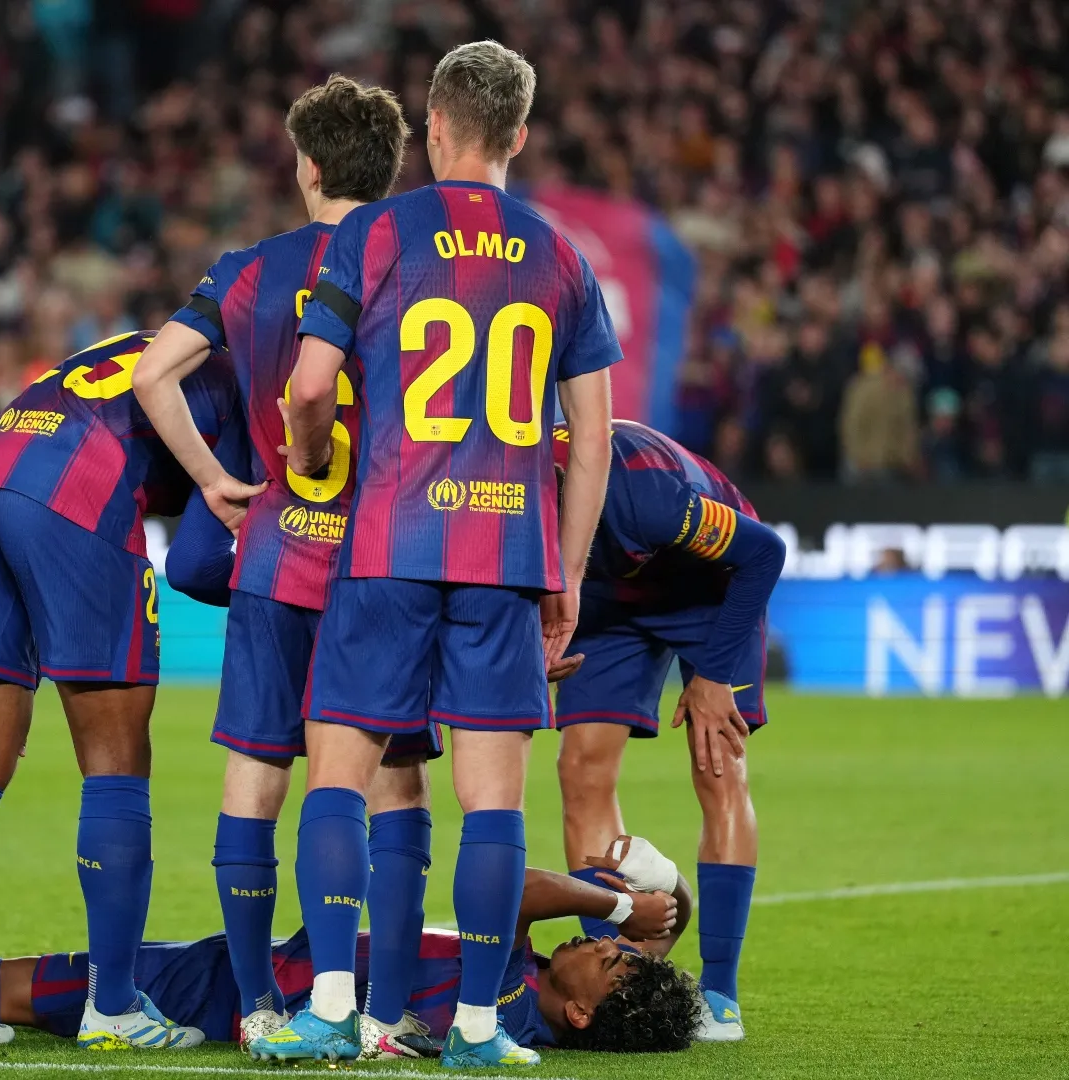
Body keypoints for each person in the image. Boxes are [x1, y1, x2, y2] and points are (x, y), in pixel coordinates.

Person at [274, 40, 620, 1067]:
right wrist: (566, 573)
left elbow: (307, 388)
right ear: (518, 135)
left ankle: (334, 1008)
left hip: (388, 541)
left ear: (431, 127)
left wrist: (313, 455)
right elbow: (592, 441)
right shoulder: (561, 253)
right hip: (507, 554)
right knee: (493, 803)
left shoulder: (377, 232)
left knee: (339, 778)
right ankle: (476, 1026)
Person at [132, 74, 438, 1056]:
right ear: (387, 171)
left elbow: (150, 373)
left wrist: (214, 478)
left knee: (255, 782)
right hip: (386, 564)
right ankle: (383, 1013)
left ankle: (260, 1005)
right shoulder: (416, 268)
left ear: (306, 165)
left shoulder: (254, 268)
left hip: (273, 557)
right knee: (390, 788)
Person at [0, 331, 245, 1051]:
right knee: (116, 760)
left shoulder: (154, 340)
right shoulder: (252, 380)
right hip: (80, 485)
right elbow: (193, 562)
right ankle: (116, 1006)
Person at [0, 861, 701, 1055]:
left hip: (217, 988)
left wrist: (621, 900)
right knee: (2, 990)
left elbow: (507, 887)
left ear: (577, 1015)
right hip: (249, 971)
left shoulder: (504, 1011)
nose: (604, 945)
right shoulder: (516, 989)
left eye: (608, 965)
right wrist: (641, 916)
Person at [552, 419, 785, 1043]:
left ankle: (720, 994)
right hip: (607, 600)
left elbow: (765, 553)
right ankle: (611, 979)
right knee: (580, 770)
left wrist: (711, 677)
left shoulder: (644, 492)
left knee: (717, 762)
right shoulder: (507, 492)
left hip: (711, 589)